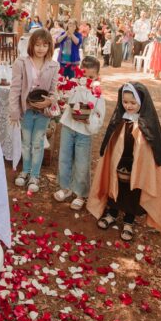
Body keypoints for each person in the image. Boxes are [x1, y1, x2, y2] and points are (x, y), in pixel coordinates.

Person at [87, 82, 161, 241]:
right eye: (125, 102)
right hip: (119, 161)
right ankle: (112, 213)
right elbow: (110, 140)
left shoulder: (147, 122)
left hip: (137, 165)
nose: (128, 106)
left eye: (133, 103)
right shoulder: (120, 119)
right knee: (115, 185)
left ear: (141, 103)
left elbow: (154, 144)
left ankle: (129, 221)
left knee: (133, 190)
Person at [10, 29, 60, 193]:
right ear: (31, 45)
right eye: (37, 45)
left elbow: (54, 91)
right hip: (27, 110)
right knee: (26, 142)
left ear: (49, 47)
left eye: (45, 45)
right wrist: (14, 111)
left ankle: (35, 175)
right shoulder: (21, 62)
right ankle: (25, 171)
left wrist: (49, 101)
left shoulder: (53, 65)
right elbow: (15, 88)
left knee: (38, 143)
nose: (41, 49)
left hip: (42, 111)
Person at [53, 56, 106, 210]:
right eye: (84, 76)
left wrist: (89, 120)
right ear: (79, 73)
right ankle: (65, 187)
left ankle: (81, 193)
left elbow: (98, 115)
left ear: (97, 77)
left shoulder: (98, 96)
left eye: (91, 77)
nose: (87, 79)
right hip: (69, 127)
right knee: (64, 158)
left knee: (82, 163)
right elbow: (65, 100)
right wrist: (64, 89)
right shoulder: (75, 87)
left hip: (84, 132)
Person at [149, 15, 161, 79]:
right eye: (158, 19)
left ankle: (158, 74)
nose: (158, 20)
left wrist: (156, 35)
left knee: (159, 59)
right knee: (154, 58)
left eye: (160, 19)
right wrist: (152, 35)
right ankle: (154, 74)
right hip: (155, 44)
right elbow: (153, 36)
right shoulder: (157, 27)